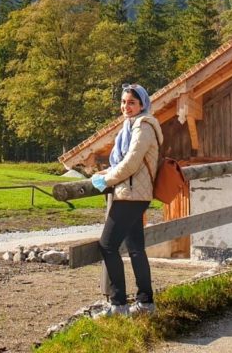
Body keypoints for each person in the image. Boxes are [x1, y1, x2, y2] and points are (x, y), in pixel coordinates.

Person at [90, 83, 163, 317]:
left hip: (132, 195)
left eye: (131, 102)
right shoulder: (129, 127)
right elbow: (120, 164)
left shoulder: (143, 126)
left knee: (107, 246)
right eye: (123, 102)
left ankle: (118, 304)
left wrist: (107, 181)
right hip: (133, 194)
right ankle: (145, 303)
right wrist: (104, 174)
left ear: (142, 104)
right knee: (135, 249)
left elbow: (131, 163)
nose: (126, 106)